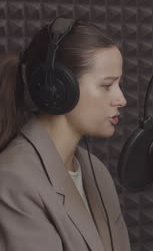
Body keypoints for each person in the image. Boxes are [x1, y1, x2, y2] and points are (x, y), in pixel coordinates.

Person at [0, 17, 130, 251]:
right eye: (107, 85)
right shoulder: (13, 181)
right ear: (59, 88)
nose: (121, 99)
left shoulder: (96, 171)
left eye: (119, 84)